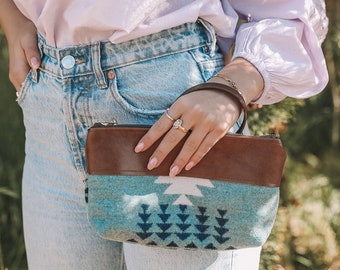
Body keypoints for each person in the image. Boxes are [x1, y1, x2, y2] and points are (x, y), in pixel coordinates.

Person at [0, 0, 328, 269]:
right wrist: (12, 17)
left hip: (173, 109)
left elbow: (292, 11)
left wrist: (232, 86)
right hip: (50, 108)